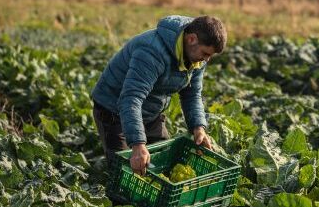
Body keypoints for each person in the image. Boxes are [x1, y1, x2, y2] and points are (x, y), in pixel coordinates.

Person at [91, 15, 227, 175]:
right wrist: (138, 144)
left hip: (151, 110)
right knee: (126, 172)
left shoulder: (197, 58)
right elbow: (131, 99)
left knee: (165, 163)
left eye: (210, 56)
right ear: (191, 39)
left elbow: (192, 94)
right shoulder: (152, 52)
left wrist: (198, 128)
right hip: (114, 111)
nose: (206, 60)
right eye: (205, 53)